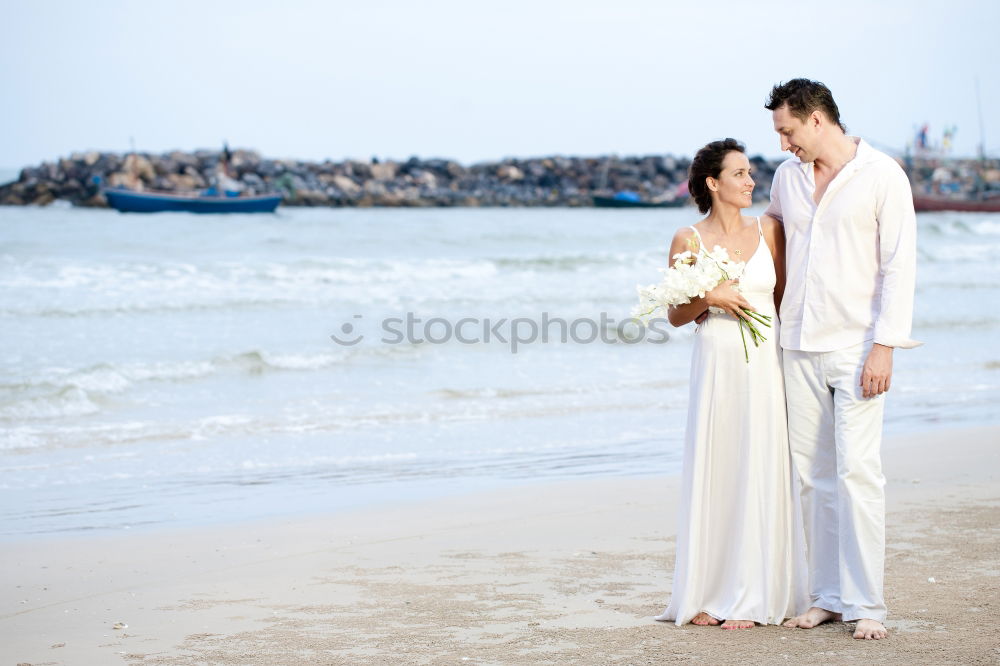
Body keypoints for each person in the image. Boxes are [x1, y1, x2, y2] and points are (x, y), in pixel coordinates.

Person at [763, 79, 920, 640]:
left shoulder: (882, 175)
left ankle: (867, 605)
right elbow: (773, 239)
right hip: (797, 343)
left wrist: (885, 345)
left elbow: (899, 266)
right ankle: (827, 596)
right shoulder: (787, 178)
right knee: (812, 477)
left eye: (787, 131)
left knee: (859, 475)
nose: (783, 144)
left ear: (815, 119)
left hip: (858, 348)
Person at [653, 138, 808, 629]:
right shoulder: (688, 239)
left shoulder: (770, 231)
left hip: (764, 362)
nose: (750, 181)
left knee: (759, 465)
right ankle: (706, 592)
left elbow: (782, 301)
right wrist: (710, 296)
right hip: (717, 362)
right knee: (718, 467)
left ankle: (752, 595)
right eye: (739, 174)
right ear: (712, 183)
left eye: (749, 173)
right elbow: (676, 315)